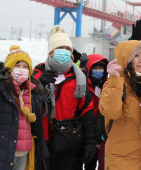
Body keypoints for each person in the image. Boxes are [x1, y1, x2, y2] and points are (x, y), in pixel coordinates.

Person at [33, 25, 97, 169]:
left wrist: (90, 143)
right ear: (50, 52)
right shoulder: (36, 75)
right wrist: (39, 85)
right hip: (42, 142)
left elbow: (87, 113)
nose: (64, 52)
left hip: (70, 142)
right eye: (59, 48)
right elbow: (27, 104)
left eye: (67, 49)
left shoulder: (78, 79)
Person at [99, 40, 141, 170]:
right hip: (122, 158)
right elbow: (111, 112)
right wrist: (114, 78)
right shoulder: (115, 84)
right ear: (126, 59)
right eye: (136, 56)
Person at [0, 45, 49, 170]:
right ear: (9, 67)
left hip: (24, 152)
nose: (21, 69)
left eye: (25, 66)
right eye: (17, 65)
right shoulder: (0, 87)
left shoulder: (31, 91)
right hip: (3, 150)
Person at [85, 54, 108, 170]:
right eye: (95, 68)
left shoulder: (108, 85)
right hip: (85, 132)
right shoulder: (83, 85)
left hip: (102, 133)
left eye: (101, 68)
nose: (98, 71)